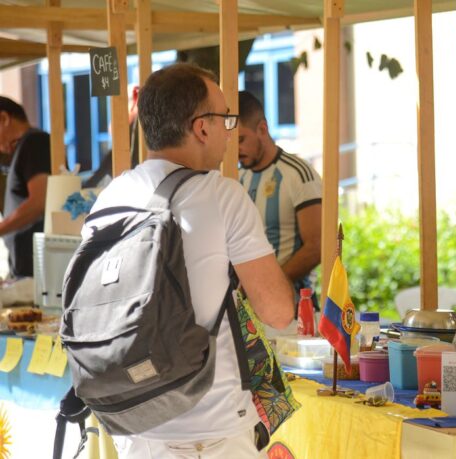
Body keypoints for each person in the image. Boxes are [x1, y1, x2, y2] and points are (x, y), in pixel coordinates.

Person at [89, 63, 294, 458]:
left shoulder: (110, 198)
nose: (228, 131)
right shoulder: (221, 196)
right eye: (225, 119)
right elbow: (278, 311)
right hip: (211, 427)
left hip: (132, 420)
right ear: (202, 127)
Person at [238, 90, 322, 310]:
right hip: (247, 307)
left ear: (263, 129)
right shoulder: (237, 177)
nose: (235, 149)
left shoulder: (298, 173)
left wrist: (271, 283)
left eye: (241, 139)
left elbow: (318, 246)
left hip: (293, 306)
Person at [0, 96, 50, 278]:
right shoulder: (22, 148)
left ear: (4, 119)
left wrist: (1, 228)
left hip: (37, 268)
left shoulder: (35, 142)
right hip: (25, 267)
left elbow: (39, 201)